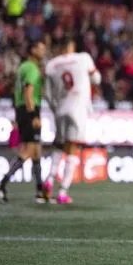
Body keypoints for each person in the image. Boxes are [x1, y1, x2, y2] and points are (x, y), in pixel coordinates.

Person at [42, 38, 101, 204]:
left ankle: (49, 180)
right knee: (72, 148)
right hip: (78, 109)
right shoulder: (83, 58)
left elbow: (47, 93)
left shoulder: (52, 65)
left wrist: (55, 109)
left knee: (59, 145)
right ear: (72, 46)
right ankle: (63, 191)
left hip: (60, 109)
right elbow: (96, 79)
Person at [0, 41, 48, 203]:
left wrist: (19, 116)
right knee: (29, 151)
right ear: (32, 50)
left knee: (36, 151)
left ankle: (39, 192)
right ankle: (1, 184)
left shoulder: (22, 67)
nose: (44, 52)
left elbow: (18, 94)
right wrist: (34, 115)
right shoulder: (32, 69)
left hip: (21, 110)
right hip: (30, 110)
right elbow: (28, 93)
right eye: (41, 49)